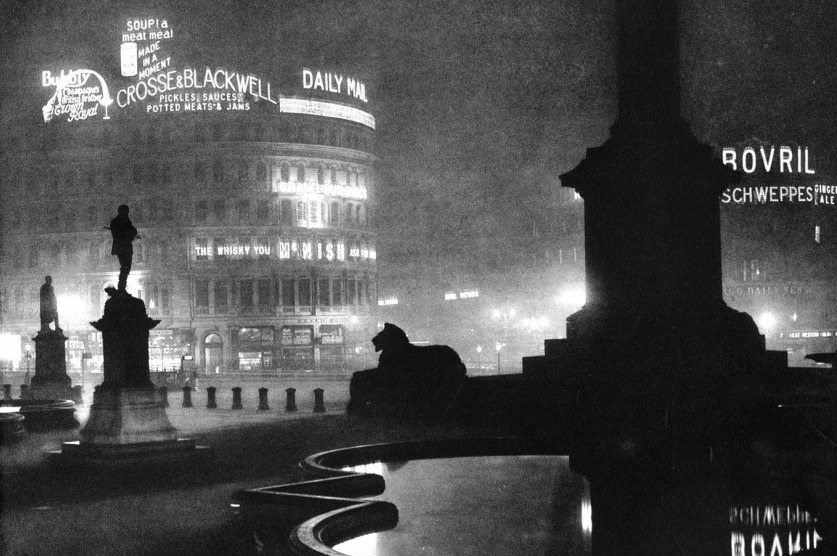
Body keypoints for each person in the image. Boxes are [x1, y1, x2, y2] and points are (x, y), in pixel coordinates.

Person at [109, 205, 138, 291]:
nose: (127, 213)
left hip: (123, 247)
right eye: (126, 211)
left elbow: (129, 231)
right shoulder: (123, 221)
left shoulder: (117, 221)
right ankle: (121, 286)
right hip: (124, 247)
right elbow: (128, 232)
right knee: (125, 267)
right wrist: (131, 234)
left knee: (125, 267)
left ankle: (122, 286)